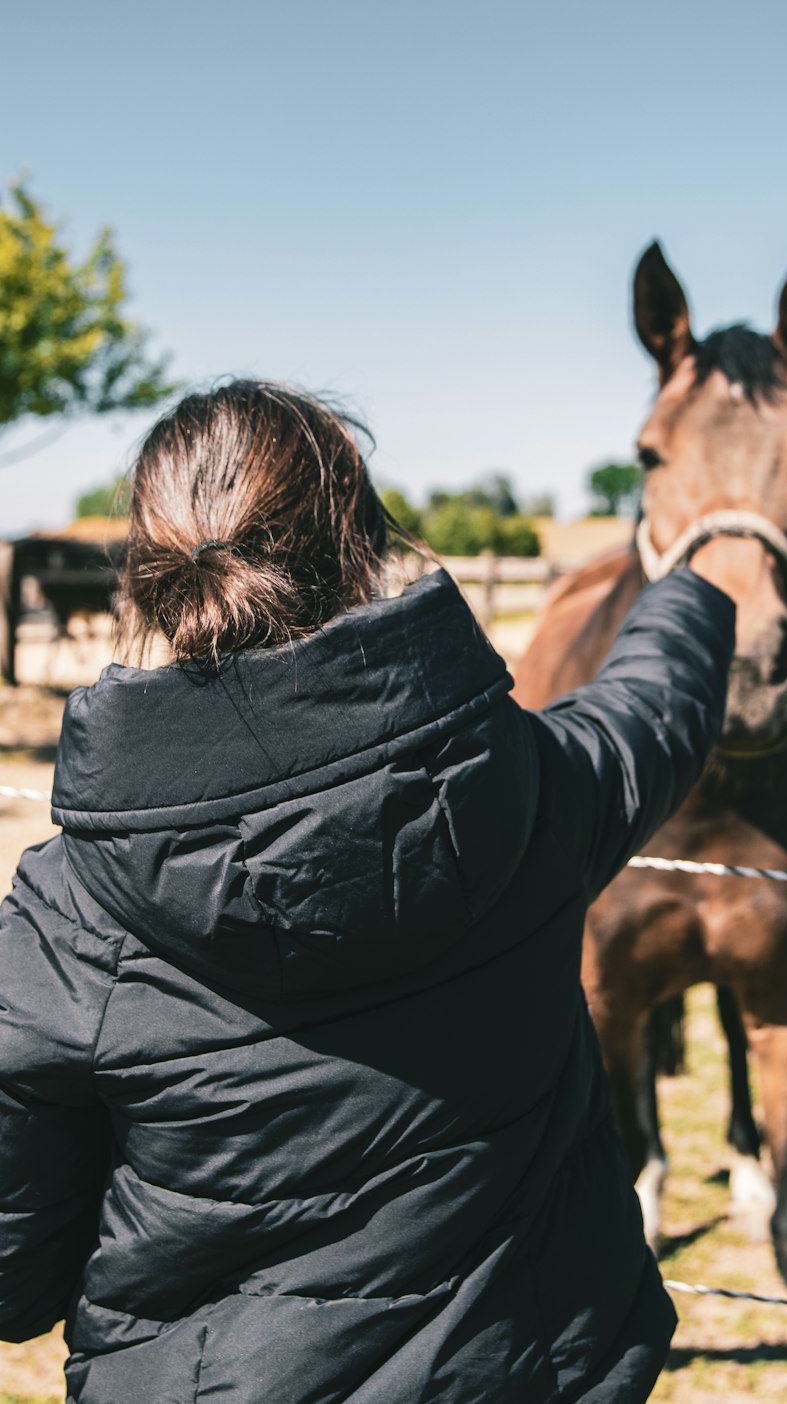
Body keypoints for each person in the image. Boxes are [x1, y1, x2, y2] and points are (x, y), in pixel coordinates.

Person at [0, 381, 736, 1404]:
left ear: (149, 573)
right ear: (359, 553)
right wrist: (697, 582)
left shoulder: (62, 917)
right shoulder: (524, 794)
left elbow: (14, 1276)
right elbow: (651, 712)